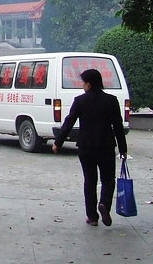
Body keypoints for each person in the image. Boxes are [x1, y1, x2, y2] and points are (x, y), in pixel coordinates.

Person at [52, 69, 127, 227]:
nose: (83, 86)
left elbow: (69, 122)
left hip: (86, 147)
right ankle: (104, 204)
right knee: (108, 180)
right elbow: (118, 126)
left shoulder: (80, 101)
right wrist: (123, 149)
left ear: (89, 83)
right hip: (106, 146)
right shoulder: (111, 100)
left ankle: (92, 217)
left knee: (90, 181)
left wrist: (58, 142)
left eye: (84, 82)